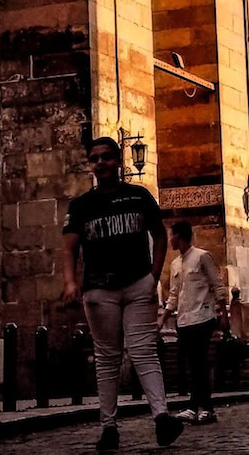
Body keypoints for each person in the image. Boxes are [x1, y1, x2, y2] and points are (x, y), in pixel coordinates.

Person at [63, 136, 184, 450]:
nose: (100, 162)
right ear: (91, 164)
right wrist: (71, 283)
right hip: (99, 288)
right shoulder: (81, 205)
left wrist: (154, 275)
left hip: (137, 284)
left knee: (144, 350)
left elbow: (159, 235)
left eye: (106, 157)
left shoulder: (138, 197)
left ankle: (161, 417)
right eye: (95, 158)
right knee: (107, 358)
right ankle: (109, 426)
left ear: (118, 161)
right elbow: (70, 248)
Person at [161, 220, 229, 424]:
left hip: (202, 317)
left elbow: (218, 286)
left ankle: (201, 407)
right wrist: (163, 318)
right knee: (193, 364)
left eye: (171, 235)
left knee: (199, 363)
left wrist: (223, 314)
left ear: (179, 236)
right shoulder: (175, 264)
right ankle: (199, 407)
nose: (170, 239)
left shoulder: (202, 257)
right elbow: (174, 295)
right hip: (184, 321)